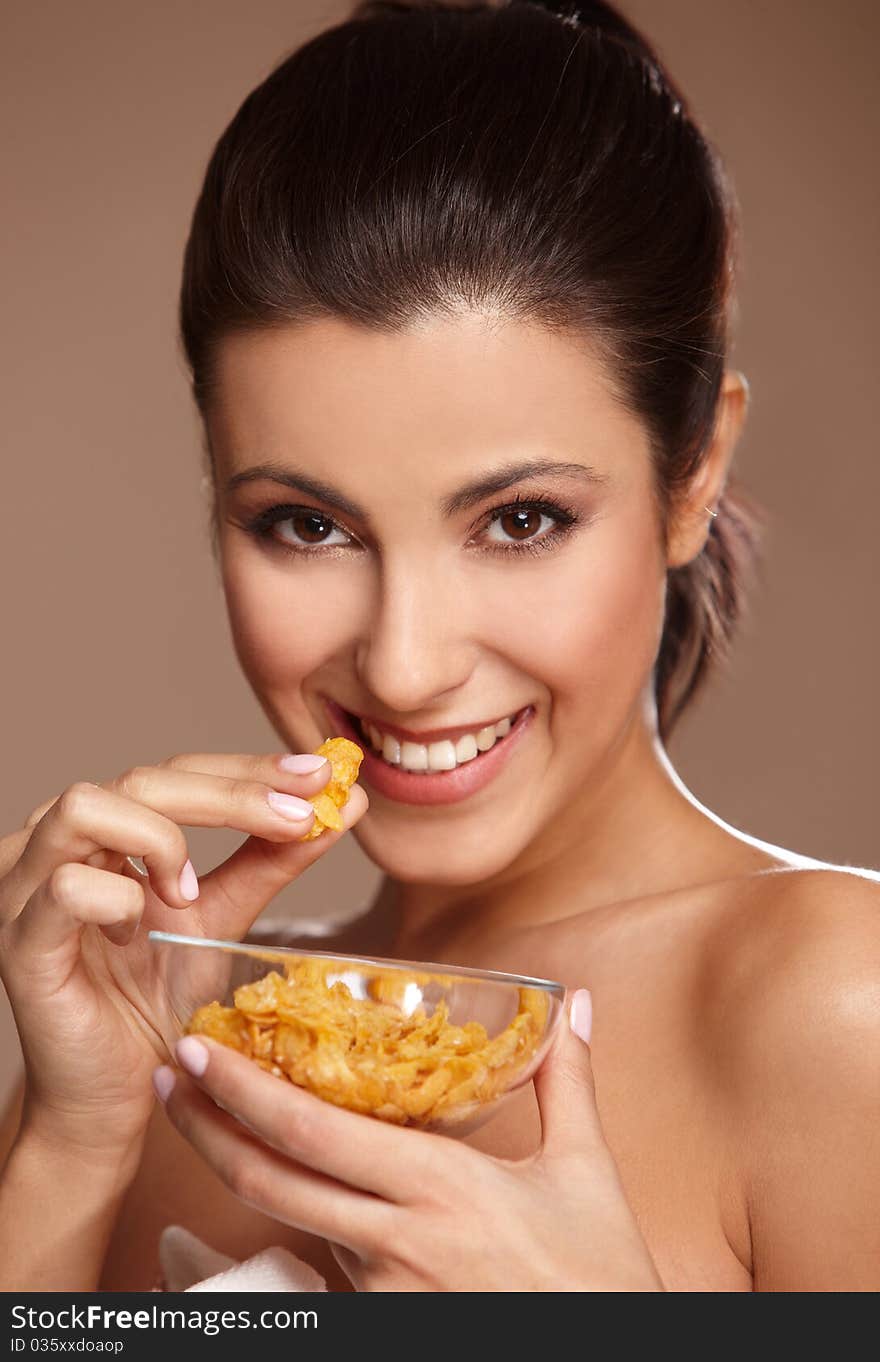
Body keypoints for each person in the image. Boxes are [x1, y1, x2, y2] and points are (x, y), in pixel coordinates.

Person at [1, 0, 878, 1293]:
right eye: (304, 522)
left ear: (693, 474)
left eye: (521, 519)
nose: (403, 665)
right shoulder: (179, 1050)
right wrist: (67, 1148)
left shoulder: (830, 1007)